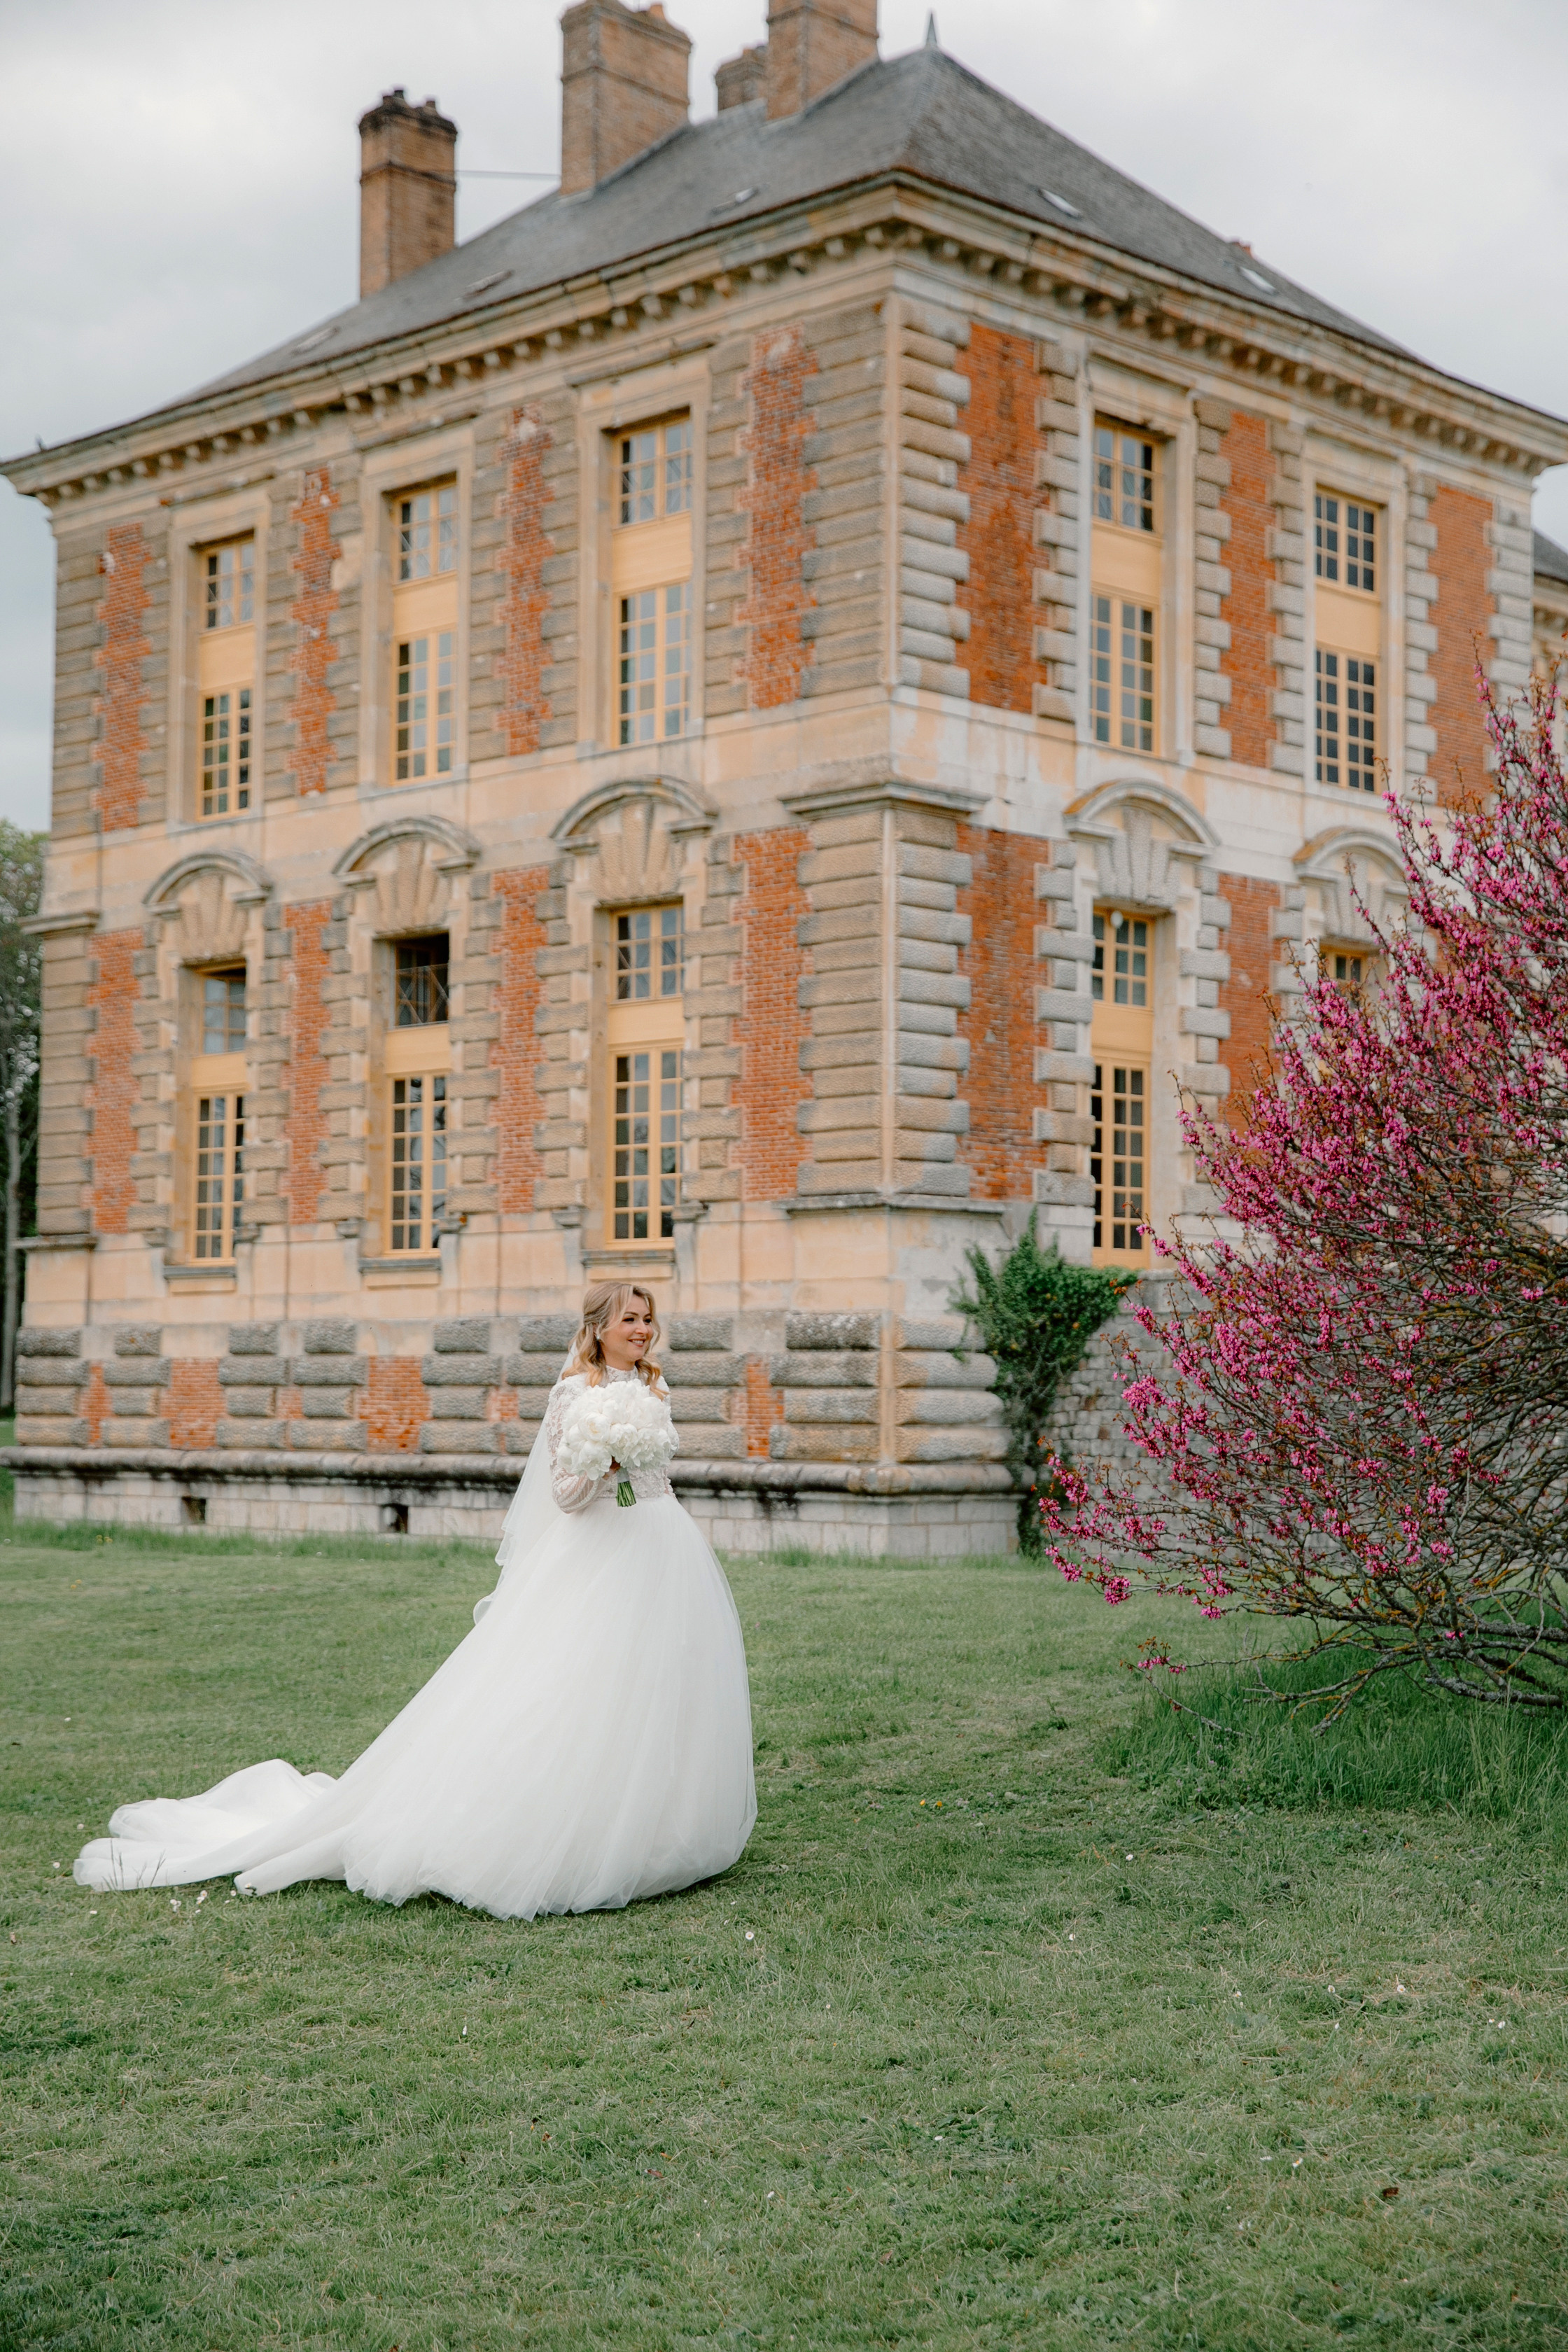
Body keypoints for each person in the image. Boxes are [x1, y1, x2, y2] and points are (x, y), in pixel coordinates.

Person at [74, 1283, 756, 1919]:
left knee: (660, 1686)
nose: (641, 1329)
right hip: (596, 1558)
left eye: (646, 1319)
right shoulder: (571, 1393)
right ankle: (563, 1831)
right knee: (578, 1691)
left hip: (660, 1549)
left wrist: (634, 1462)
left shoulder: (650, 1386)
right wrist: (602, 1462)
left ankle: (654, 1829)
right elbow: (566, 1499)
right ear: (599, 1328)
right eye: (629, 1319)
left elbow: (658, 1476)